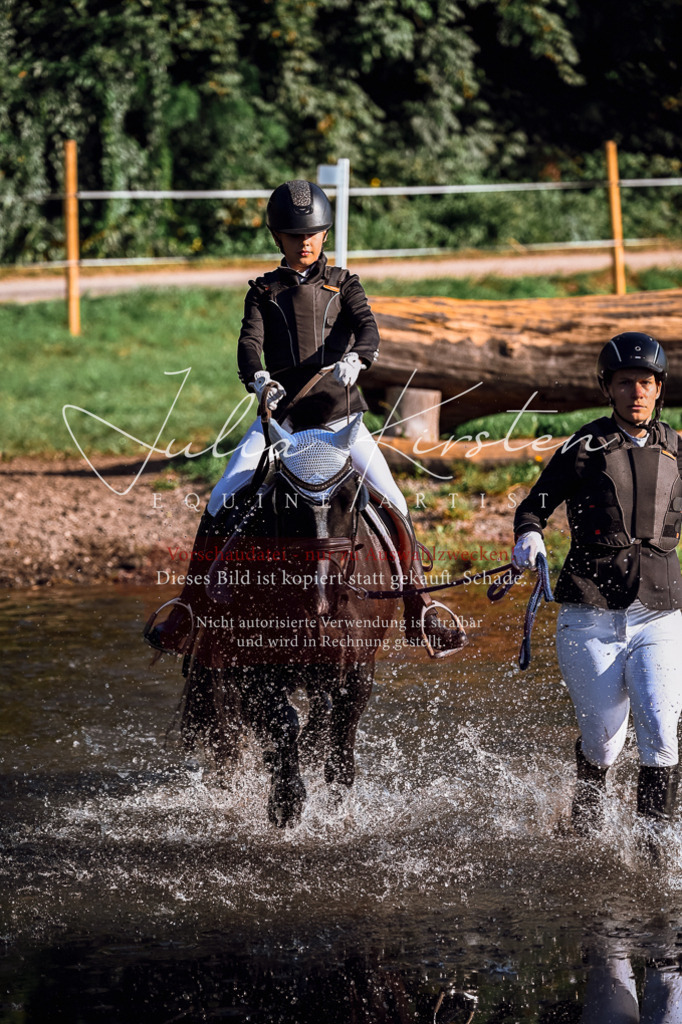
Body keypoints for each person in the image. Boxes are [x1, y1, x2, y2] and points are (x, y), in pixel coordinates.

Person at [149, 179, 465, 657]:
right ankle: (189, 610)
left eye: (313, 234)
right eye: (296, 236)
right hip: (282, 428)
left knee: (395, 499)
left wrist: (358, 359)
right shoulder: (263, 291)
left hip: (340, 425)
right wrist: (258, 379)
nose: (306, 243)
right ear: (279, 238)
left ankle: (419, 608)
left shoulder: (345, 284)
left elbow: (368, 329)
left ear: (324, 233)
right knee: (220, 495)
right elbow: (248, 346)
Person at [512, 332, 682, 832]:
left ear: (659, 388)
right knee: (604, 742)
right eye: (625, 382)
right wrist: (529, 536)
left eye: (645, 382)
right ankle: (586, 834)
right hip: (591, 612)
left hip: (660, 612)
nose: (636, 392)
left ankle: (654, 853)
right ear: (608, 387)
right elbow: (533, 507)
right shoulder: (584, 445)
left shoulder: (677, 447)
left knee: (660, 732)